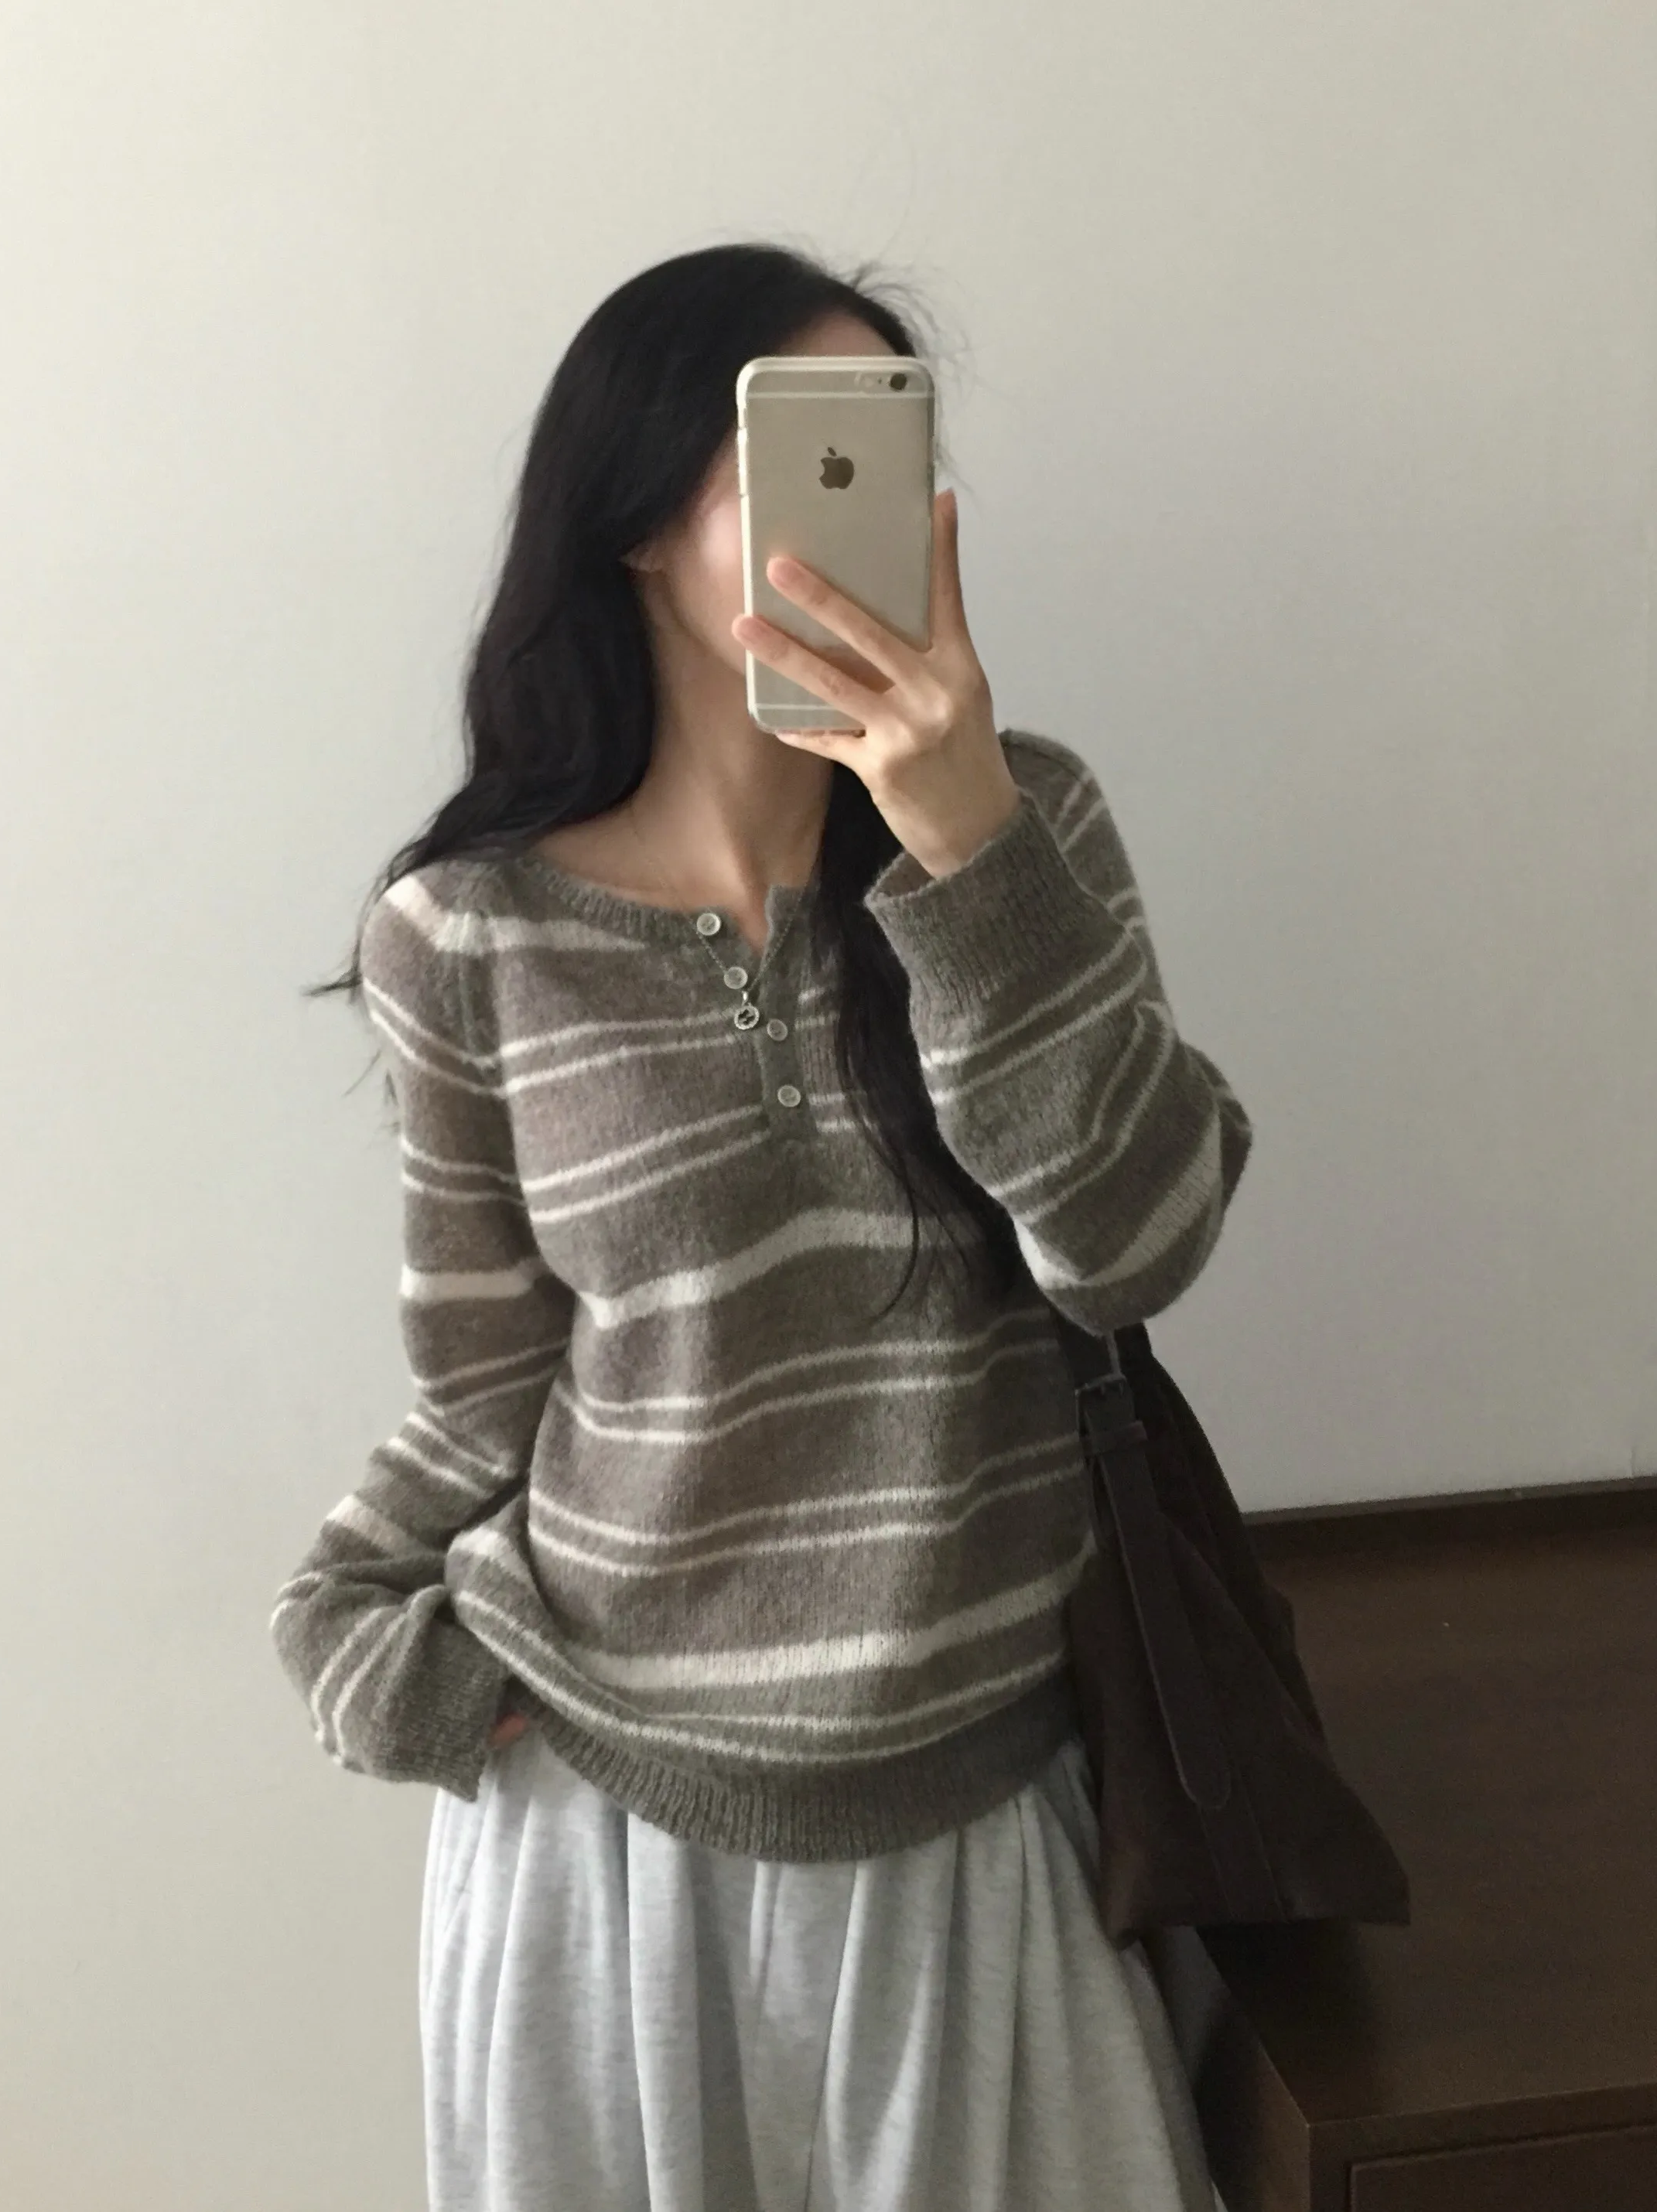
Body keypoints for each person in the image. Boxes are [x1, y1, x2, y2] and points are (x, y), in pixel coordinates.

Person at [272, 240, 1253, 2211]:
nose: (861, 504)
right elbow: (485, 1386)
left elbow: (1133, 1245)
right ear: (639, 520)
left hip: (983, 1820)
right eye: (797, 453)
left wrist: (964, 841)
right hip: (602, 1849)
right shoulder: (466, 932)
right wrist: (361, 1634)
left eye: (891, 449)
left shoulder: (1030, 823)